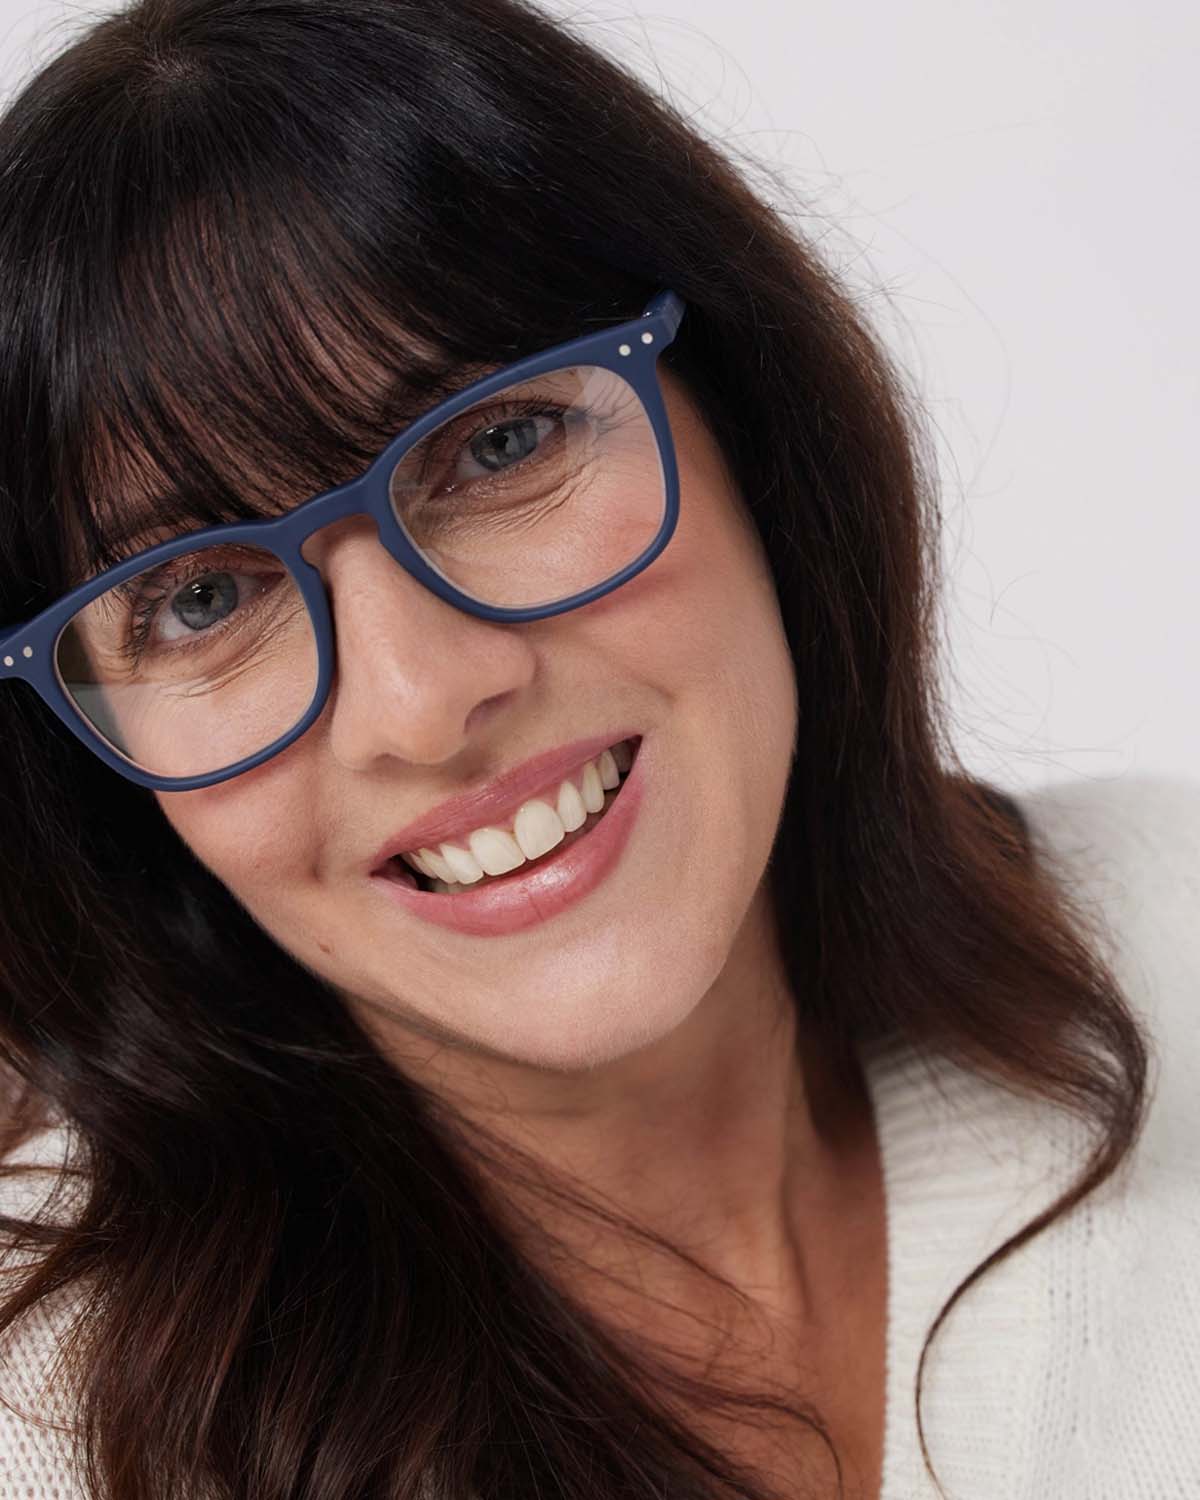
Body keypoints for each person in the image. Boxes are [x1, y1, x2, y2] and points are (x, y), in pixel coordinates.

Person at [0, 0, 1196, 1497]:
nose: (421, 701)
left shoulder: (1172, 923)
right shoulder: (50, 1442)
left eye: (498, 444)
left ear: (747, 416)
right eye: (198, 601)